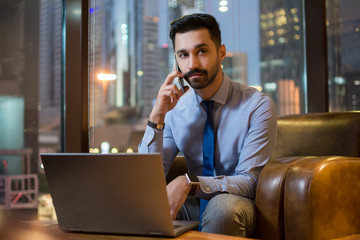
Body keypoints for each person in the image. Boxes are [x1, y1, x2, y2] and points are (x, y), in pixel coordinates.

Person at [138, 13, 277, 237]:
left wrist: (190, 182)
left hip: (239, 206)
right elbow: (146, 179)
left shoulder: (257, 106)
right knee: (141, 206)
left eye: (202, 51)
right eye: (183, 55)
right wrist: (157, 117)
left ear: (221, 52)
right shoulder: (175, 110)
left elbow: (250, 181)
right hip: (193, 204)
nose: (192, 64)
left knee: (223, 208)